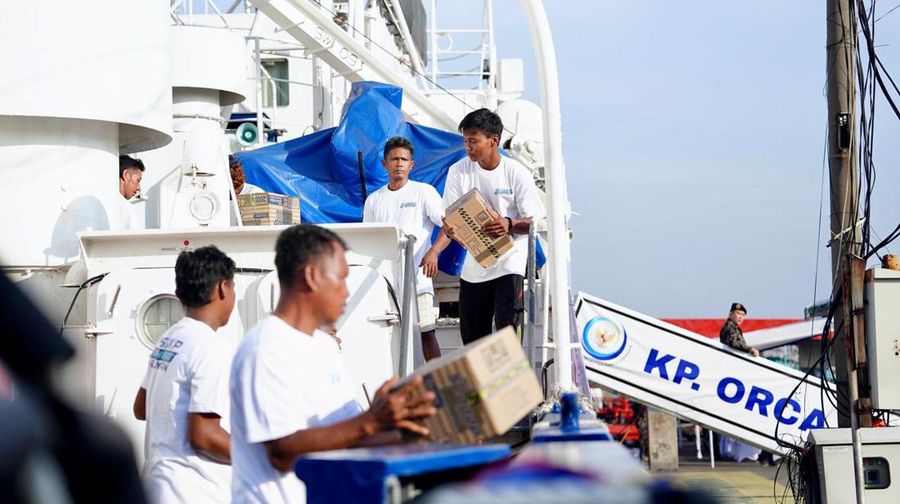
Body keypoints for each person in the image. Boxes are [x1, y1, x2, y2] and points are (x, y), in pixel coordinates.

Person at [230, 224, 436, 503]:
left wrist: (424, 433)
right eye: (341, 279)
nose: (346, 292)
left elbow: (350, 438)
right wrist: (372, 420)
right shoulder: (266, 347)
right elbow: (281, 452)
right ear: (311, 276)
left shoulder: (325, 346)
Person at [421, 108, 546, 344]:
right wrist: (438, 247)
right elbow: (450, 218)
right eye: (465, 141)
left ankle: (511, 369)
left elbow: (534, 221)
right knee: (472, 336)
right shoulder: (458, 171)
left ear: (493, 141)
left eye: (473, 141)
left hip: (510, 261)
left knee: (507, 328)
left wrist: (509, 223)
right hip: (475, 263)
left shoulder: (516, 172)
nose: (468, 147)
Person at [133, 246, 237, 503]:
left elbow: (141, 408)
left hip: (157, 486)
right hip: (193, 493)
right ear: (223, 288)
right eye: (233, 286)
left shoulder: (169, 338)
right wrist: (262, 457)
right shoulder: (212, 349)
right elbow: (204, 436)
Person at [363, 136, 444, 361]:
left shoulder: (424, 192)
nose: (399, 163)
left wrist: (434, 252)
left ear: (411, 164)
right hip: (385, 284)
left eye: (404, 159)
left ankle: (438, 381)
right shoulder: (374, 200)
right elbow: (369, 240)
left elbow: (450, 226)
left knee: (427, 333)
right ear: (384, 163)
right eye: (394, 159)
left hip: (418, 280)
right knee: (388, 336)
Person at [118, 155, 145, 230]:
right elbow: (137, 236)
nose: (139, 188)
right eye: (138, 180)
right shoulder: (125, 207)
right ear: (126, 175)